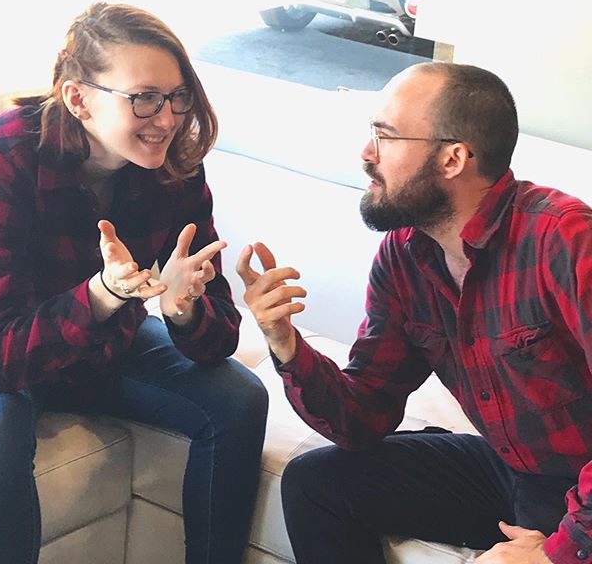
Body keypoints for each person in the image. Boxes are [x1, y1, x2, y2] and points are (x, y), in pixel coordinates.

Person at [237, 61, 592, 564]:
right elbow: (361, 419)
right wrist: (284, 342)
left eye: (385, 136)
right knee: (318, 484)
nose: (366, 154)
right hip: (510, 466)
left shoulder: (565, 240)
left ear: (452, 158)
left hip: (582, 480)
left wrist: (562, 549)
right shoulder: (405, 256)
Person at [0, 2, 268, 564]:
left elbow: (218, 337)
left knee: (240, 399)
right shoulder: (6, 153)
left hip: (102, 336)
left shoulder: (175, 165)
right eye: (144, 97)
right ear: (79, 99)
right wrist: (105, 294)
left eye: (177, 96)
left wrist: (182, 310)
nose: (167, 118)